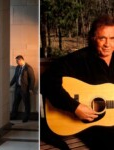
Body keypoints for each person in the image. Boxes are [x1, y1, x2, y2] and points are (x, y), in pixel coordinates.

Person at [41, 14, 114, 149]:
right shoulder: (79, 59)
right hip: (86, 123)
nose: (107, 44)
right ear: (93, 38)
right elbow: (47, 80)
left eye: (112, 38)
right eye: (102, 38)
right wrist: (74, 107)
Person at [10, 55, 35, 122]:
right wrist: (9, 84)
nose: (16, 63)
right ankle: (13, 116)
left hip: (25, 89)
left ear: (21, 60)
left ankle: (26, 117)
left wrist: (30, 89)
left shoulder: (28, 68)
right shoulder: (17, 67)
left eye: (17, 61)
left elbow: (32, 79)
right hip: (18, 88)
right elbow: (15, 77)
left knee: (26, 103)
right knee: (15, 102)